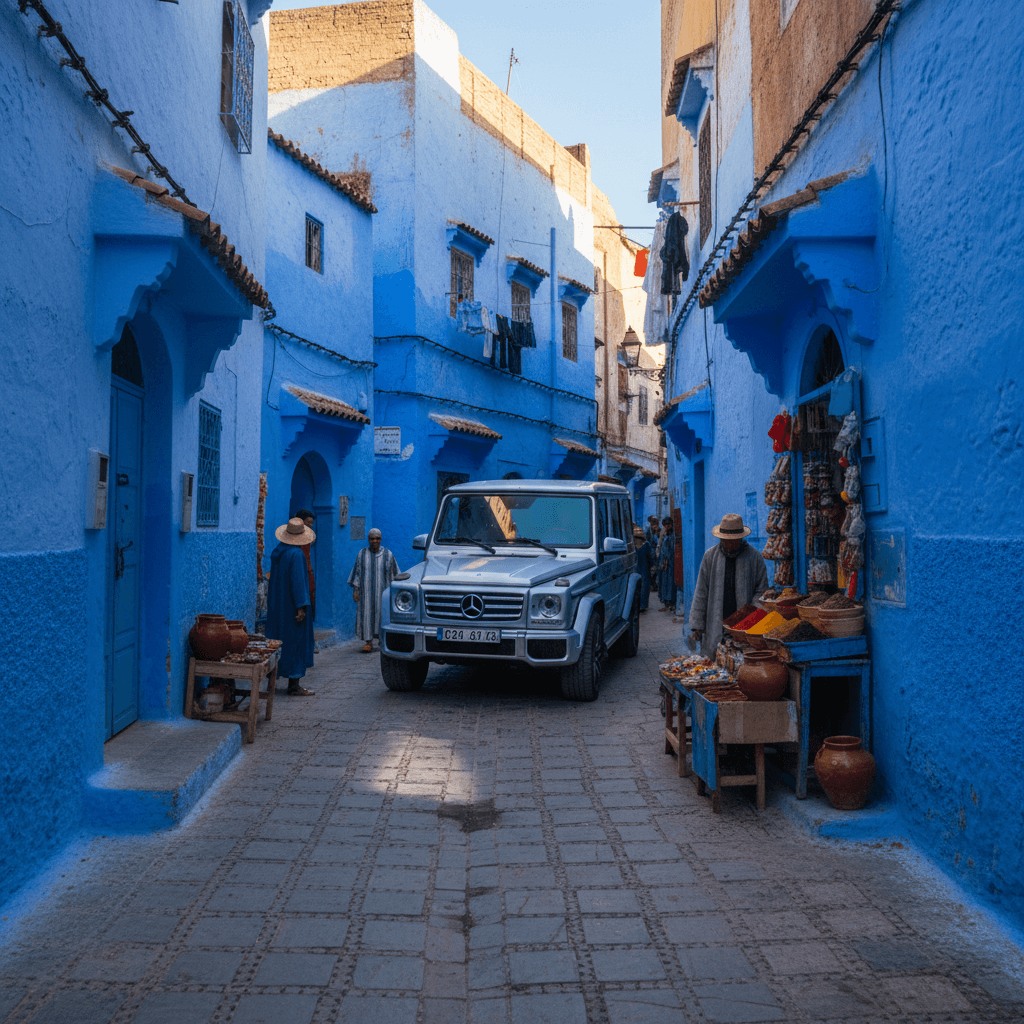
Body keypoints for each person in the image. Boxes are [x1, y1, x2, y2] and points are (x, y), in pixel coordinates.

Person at [688, 512, 769, 658]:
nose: (728, 545)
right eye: (725, 541)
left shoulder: (754, 557)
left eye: (733, 541)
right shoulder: (710, 556)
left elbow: (762, 590)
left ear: (740, 538)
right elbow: (701, 591)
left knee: (742, 662)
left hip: (743, 626)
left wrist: (751, 614)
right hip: (715, 624)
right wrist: (697, 625)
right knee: (714, 662)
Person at [266, 517, 316, 696]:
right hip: (292, 608)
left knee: (276, 641)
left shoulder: (278, 552)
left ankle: (272, 681)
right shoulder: (296, 554)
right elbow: (298, 583)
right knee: (296, 643)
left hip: (277, 605)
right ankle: (294, 685)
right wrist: (301, 607)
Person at [348, 528, 400, 653]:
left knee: (383, 617)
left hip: (383, 594)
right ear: (368, 539)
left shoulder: (388, 554)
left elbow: (395, 574)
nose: (375, 541)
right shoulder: (362, 554)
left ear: (381, 539)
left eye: (377, 538)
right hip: (366, 594)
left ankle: (382, 641)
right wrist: (355, 590)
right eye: (372, 539)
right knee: (366, 616)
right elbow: (357, 572)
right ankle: (368, 642)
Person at [295, 508, 316, 621]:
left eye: (312, 522)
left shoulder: (308, 536)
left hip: (308, 570)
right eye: (308, 522)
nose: (310, 525)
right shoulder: (294, 538)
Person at [657, 516, 677, 611]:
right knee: (664, 581)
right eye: (665, 525)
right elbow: (660, 546)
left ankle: (670, 601)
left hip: (670, 562)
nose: (667, 527)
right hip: (664, 562)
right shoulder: (664, 534)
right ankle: (666, 601)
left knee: (670, 582)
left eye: (669, 525)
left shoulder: (673, 535)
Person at [632, 525, 653, 612]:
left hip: (635, 570)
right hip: (645, 569)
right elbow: (651, 557)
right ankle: (642, 606)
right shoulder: (647, 545)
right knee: (644, 587)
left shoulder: (632, 546)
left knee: (636, 587)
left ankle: (637, 606)